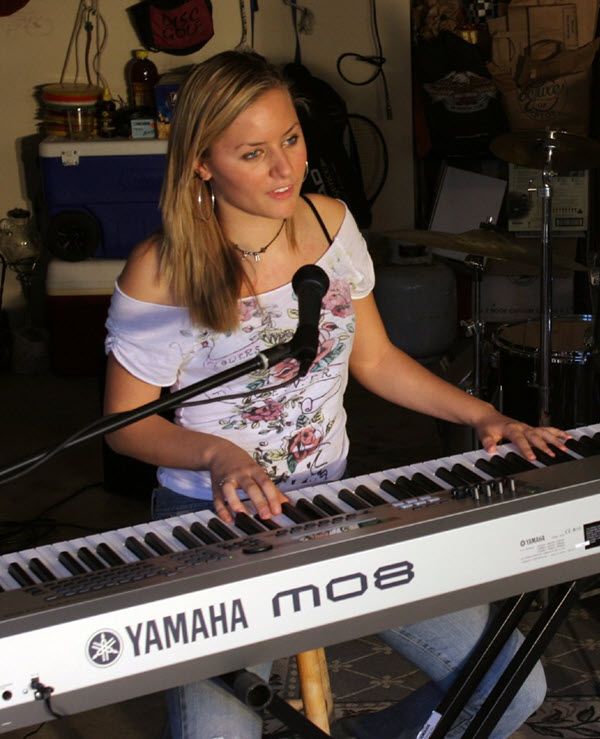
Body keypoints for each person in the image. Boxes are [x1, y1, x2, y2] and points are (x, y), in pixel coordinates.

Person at [104, 50, 569, 739]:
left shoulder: (329, 225)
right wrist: (218, 453)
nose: (285, 169)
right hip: (208, 521)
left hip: (333, 501)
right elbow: (123, 425)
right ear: (202, 162)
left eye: (290, 139)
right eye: (254, 153)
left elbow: (375, 358)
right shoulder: (162, 267)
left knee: (511, 684)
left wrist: (485, 413)